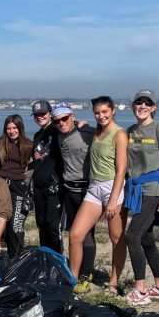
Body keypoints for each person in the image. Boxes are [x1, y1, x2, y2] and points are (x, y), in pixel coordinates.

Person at [67, 97, 128, 296]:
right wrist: (79, 124)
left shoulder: (119, 135)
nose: (101, 116)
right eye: (97, 112)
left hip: (113, 188)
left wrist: (112, 199)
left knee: (116, 237)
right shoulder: (95, 131)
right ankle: (72, 279)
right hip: (94, 188)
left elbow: (121, 171)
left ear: (113, 111)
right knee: (75, 235)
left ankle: (113, 282)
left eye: (105, 112)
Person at [121, 89, 159, 307]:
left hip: (153, 189)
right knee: (146, 238)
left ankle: (140, 290)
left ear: (153, 107)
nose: (142, 106)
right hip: (136, 189)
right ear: (133, 106)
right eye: (139, 102)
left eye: (147, 103)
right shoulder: (130, 131)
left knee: (132, 236)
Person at [52, 102, 97, 284]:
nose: (61, 123)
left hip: (88, 189)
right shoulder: (58, 136)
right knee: (73, 232)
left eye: (65, 118)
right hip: (70, 189)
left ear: (73, 117)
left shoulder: (88, 133)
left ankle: (86, 273)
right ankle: (76, 271)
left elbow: (110, 137)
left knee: (86, 234)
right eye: (58, 121)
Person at [0, 114, 33, 258]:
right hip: (1, 186)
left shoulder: (28, 145)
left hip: (19, 187)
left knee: (15, 225)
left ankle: (16, 257)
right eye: (8, 128)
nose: (12, 131)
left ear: (20, 128)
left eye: (14, 128)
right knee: (0, 222)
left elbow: (37, 162)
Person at [29, 100, 62, 253]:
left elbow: (70, 125)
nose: (39, 117)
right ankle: (45, 259)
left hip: (53, 186)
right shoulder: (37, 136)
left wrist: (81, 124)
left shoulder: (57, 130)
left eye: (42, 114)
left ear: (50, 114)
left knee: (53, 227)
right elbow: (36, 159)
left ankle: (57, 261)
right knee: (41, 225)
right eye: (36, 115)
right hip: (39, 185)